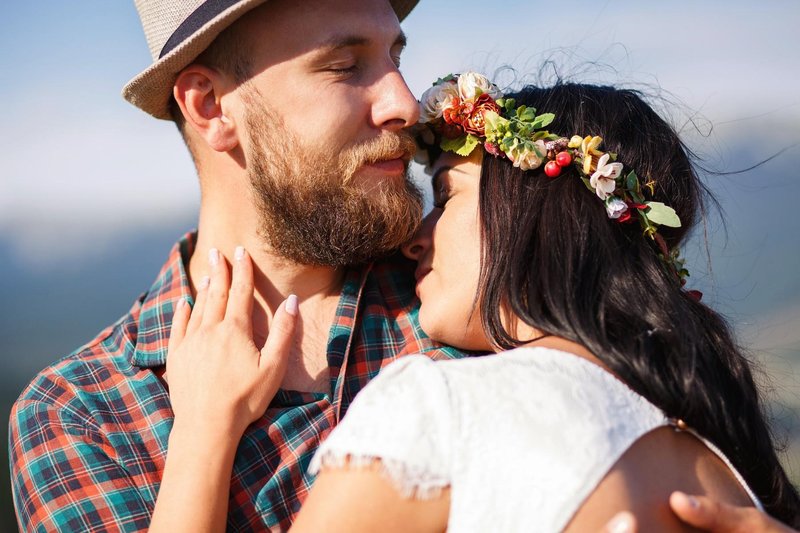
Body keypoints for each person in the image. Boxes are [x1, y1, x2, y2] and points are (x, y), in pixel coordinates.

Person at [155, 74, 800, 530]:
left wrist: (202, 433)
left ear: (534, 212)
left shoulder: (440, 407)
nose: (416, 238)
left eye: (448, 197)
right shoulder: (720, 462)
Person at [7, 0, 469, 531]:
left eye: (395, 58)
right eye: (344, 66)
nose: (405, 104)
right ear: (210, 107)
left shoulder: (464, 299)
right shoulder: (85, 415)